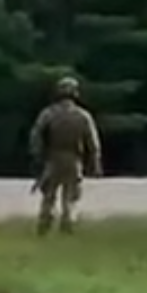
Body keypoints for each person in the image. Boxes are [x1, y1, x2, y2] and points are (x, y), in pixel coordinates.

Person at [28, 74, 102, 235]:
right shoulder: (83, 116)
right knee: (70, 196)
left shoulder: (49, 114)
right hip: (74, 159)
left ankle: (45, 225)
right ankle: (67, 225)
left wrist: (37, 156)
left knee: (49, 196)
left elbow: (36, 135)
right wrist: (95, 163)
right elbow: (93, 142)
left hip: (53, 159)